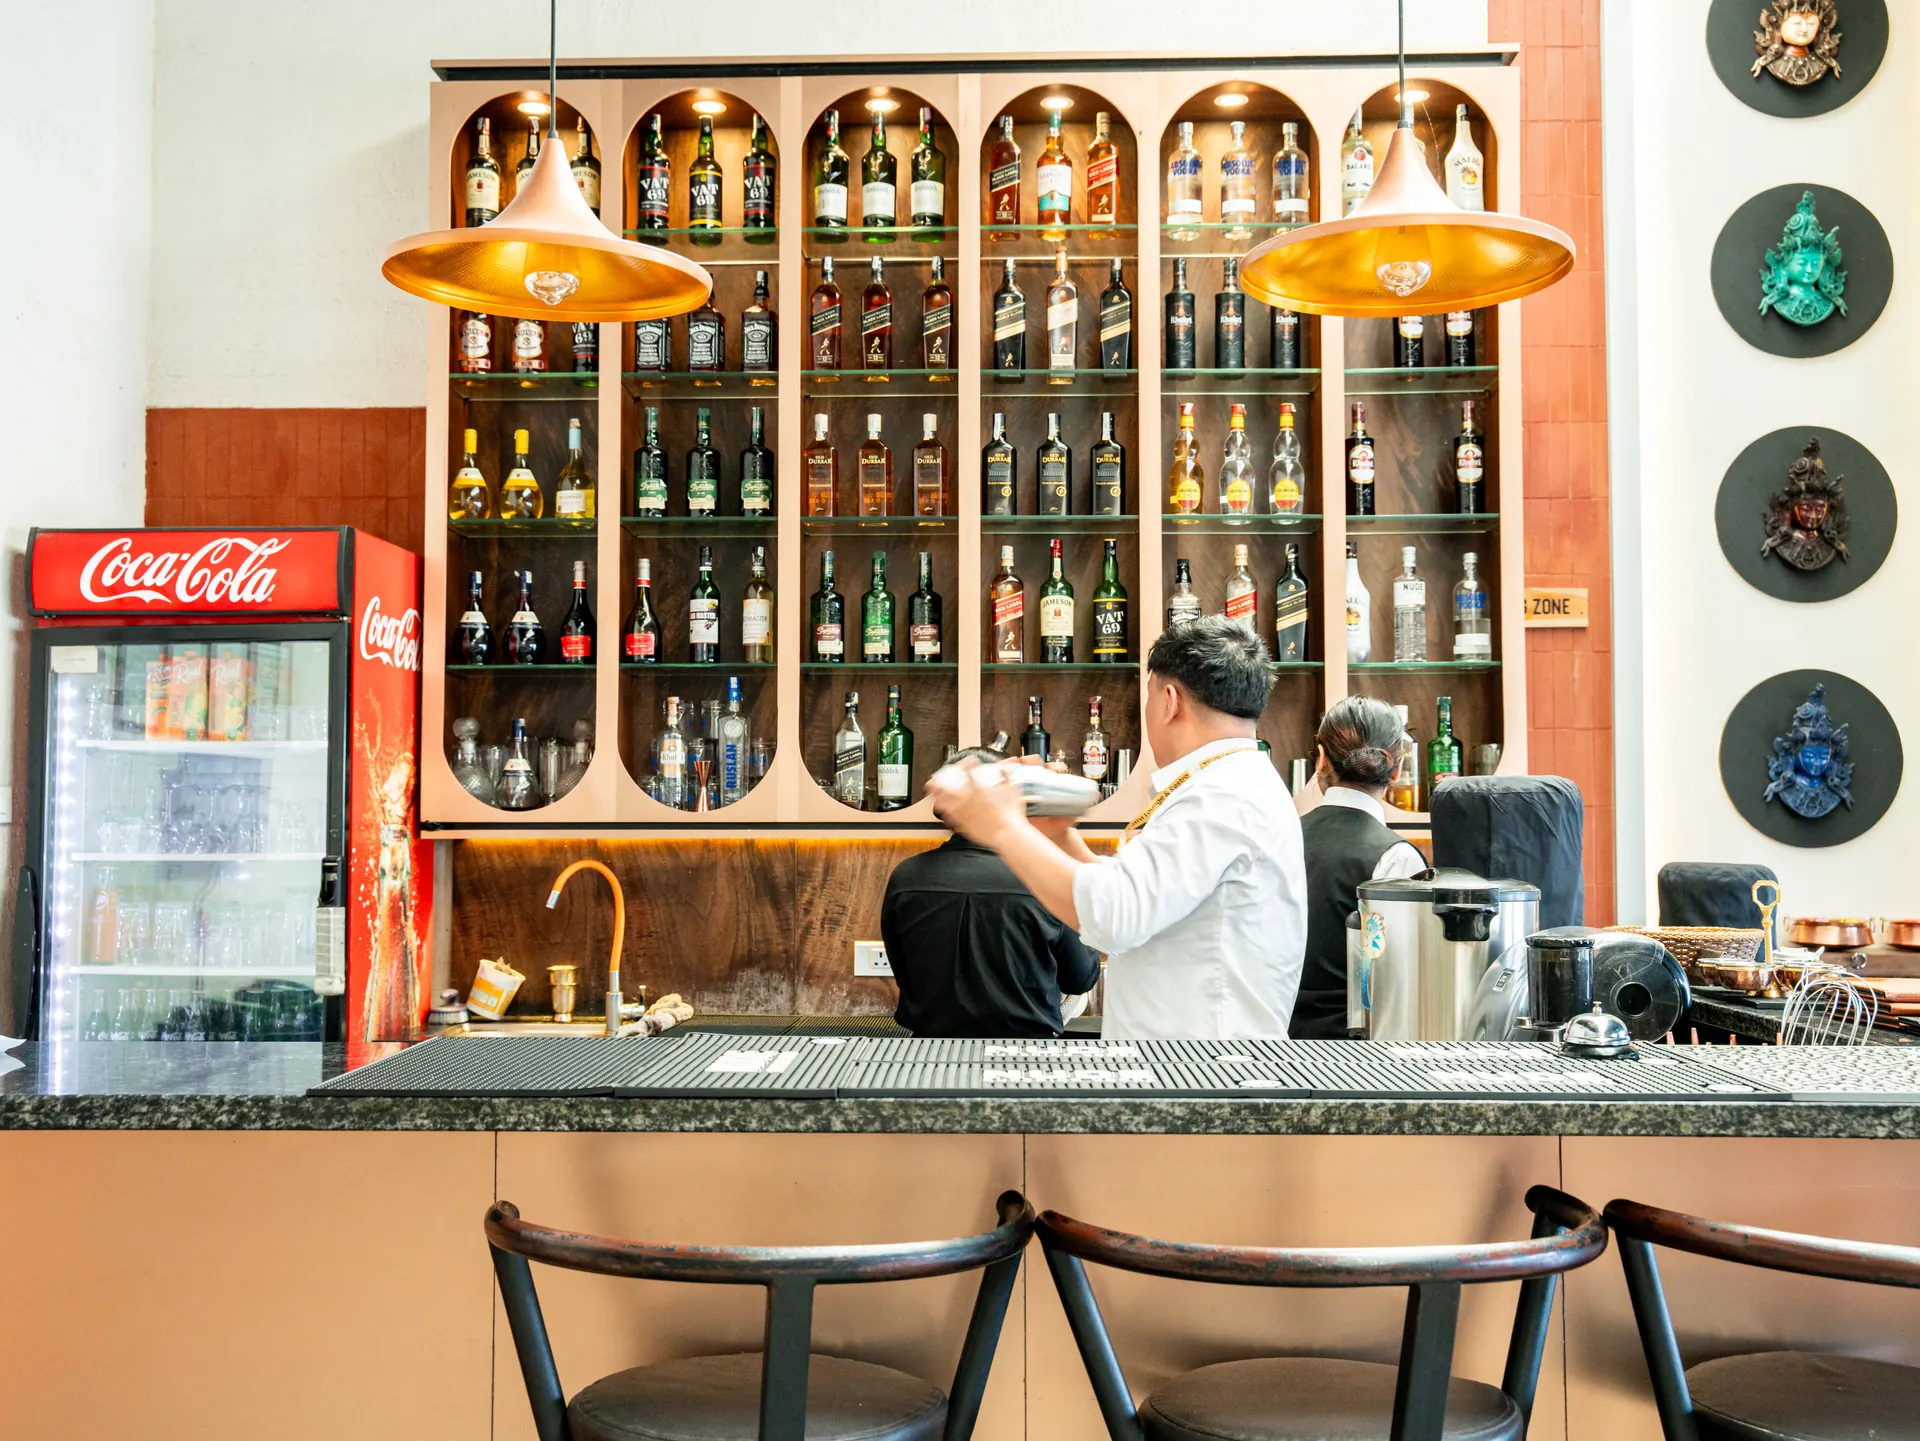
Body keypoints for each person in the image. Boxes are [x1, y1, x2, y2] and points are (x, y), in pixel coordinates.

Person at [926, 616, 1306, 1040]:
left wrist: (1001, 827)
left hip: (1201, 1071)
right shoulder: (1226, 781)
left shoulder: (1222, 794)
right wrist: (1054, 832)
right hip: (1190, 1064)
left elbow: (1115, 916)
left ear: (1168, 700)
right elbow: (1136, 896)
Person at [881, 748, 1102, 1038]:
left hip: (928, 1052)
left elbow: (904, 974)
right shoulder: (1044, 875)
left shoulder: (906, 876)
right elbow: (1080, 978)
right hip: (1027, 1052)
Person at [1290, 696, 1429, 1038]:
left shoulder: (1279, 838)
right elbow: (1399, 976)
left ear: (1321, 760)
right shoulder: (1396, 856)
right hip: (1359, 1052)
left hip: (1273, 1039)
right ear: (1396, 770)